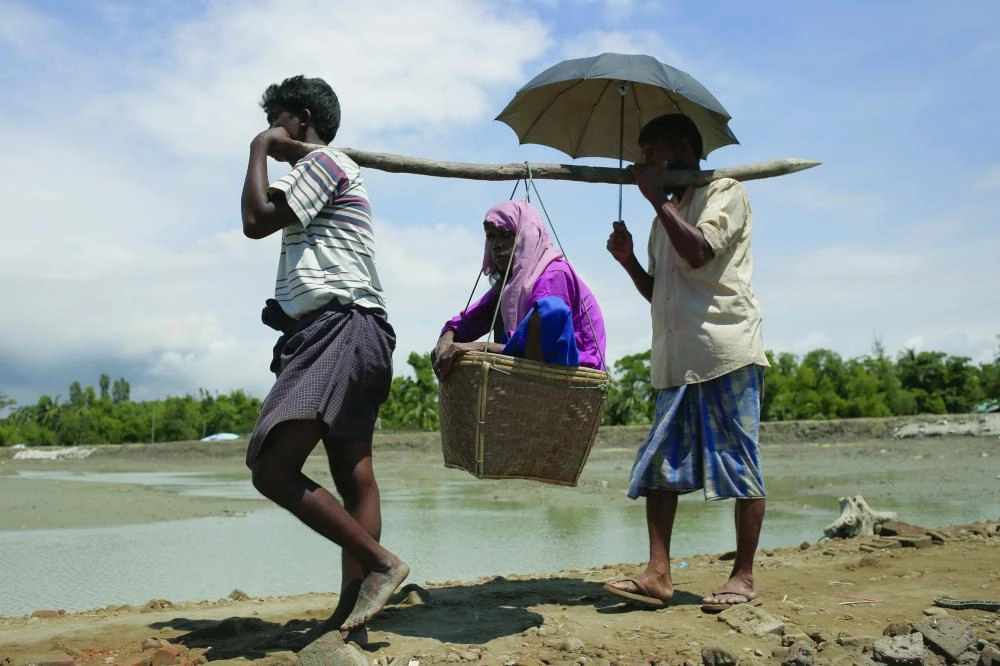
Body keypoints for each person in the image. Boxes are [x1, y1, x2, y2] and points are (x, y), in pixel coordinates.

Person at [240, 74, 408, 642]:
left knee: (271, 467)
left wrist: (258, 149)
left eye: (277, 120)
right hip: (360, 327)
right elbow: (309, 249)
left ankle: (381, 565)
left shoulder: (323, 164)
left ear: (301, 120)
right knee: (355, 478)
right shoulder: (328, 170)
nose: (270, 130)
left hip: (340, 327)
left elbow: (255, 221)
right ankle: (351, 620)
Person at [603, 113, 770, 613]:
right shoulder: (663, 220)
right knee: (660, 463)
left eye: (650, 154)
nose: (643, 164)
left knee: (740, 462)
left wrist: (656, 198)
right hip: (675, 361)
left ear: (679, 148)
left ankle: (743, 576)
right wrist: (629, 261)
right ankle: (658, 573)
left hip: (724, 350)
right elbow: (660, 292)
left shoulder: (726, 192)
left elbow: (699, 251)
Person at [432, 199, 606, 379]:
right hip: (533, 365)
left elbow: (546, 335)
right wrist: (446, 341)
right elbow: (465, 322)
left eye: (505, 235)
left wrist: (480, 347)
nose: (496, 245)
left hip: (576, 369)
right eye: (491, 237)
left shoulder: (554, 274)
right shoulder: (511, 284)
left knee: (548, 309)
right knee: (497, 306)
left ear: (527, 236)